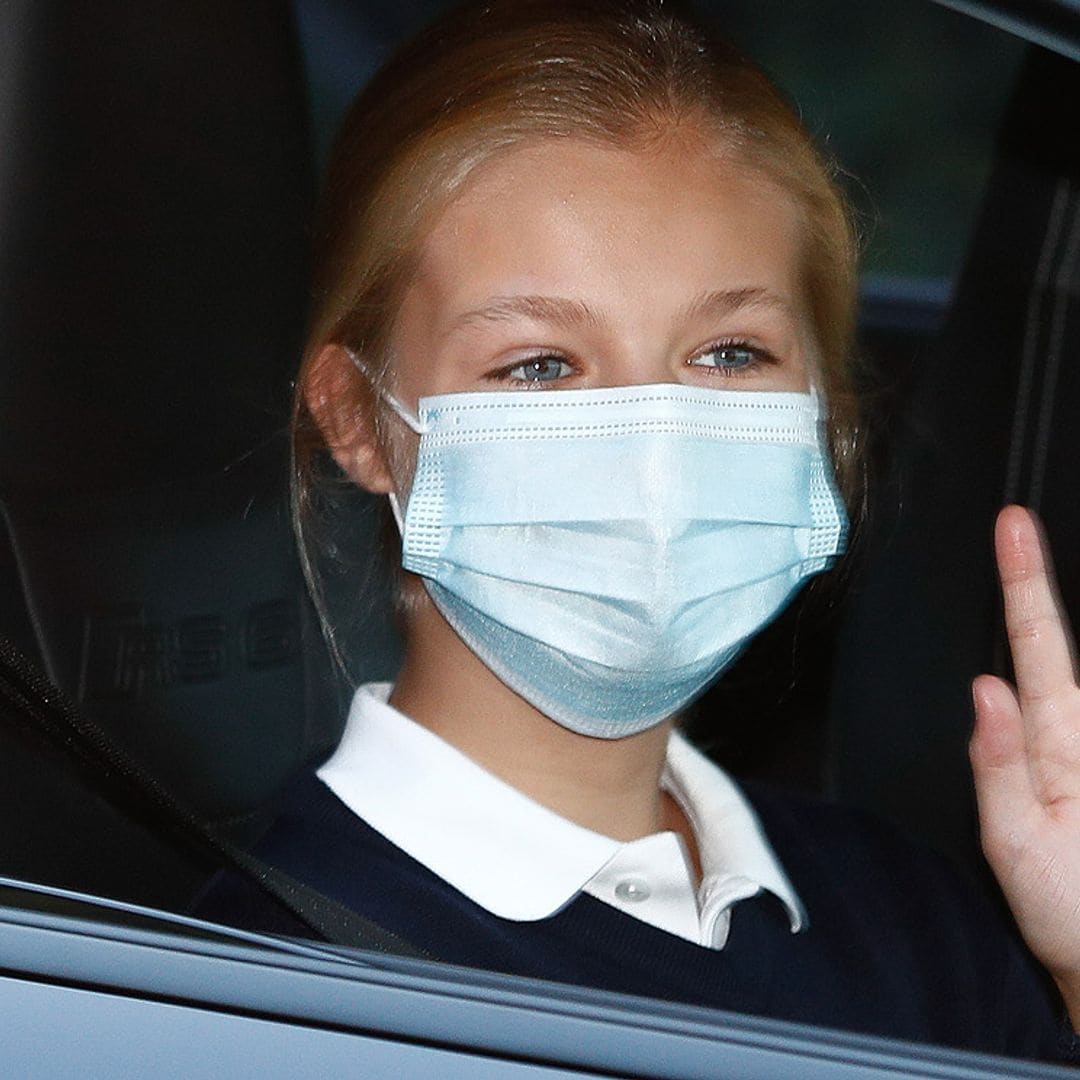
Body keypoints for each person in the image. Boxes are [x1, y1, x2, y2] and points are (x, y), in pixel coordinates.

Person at [195, 0, 1080, 1061]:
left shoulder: (924, 918)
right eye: (539, 364)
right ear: (359, 420)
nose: (655, 449)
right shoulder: (250, 991)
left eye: (729, 353)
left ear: (825, 406)